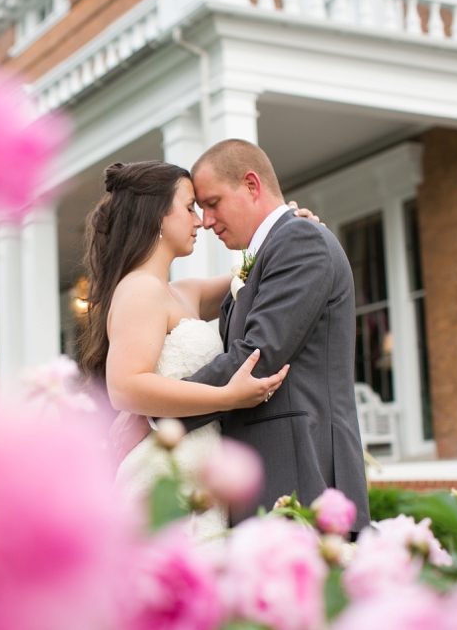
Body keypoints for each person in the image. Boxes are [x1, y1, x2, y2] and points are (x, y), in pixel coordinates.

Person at [81, 160, 297, 539]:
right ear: (156, 218)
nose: (200, 221)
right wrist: (225, 396)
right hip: (166, 476)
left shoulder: (183, 292)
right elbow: (125, 387)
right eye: (189, 208)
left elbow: (255, 272)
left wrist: (287, 230)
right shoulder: (140, 290)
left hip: (198, 473)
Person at [180, 139, 370, 532]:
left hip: (302, 476)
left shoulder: (300, 241)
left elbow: (256, 358)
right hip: (273, 476)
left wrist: (159, 408)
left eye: (213, 203)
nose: (207, 220)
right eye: (200, 210)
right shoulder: (273, 250)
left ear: (252, 185)